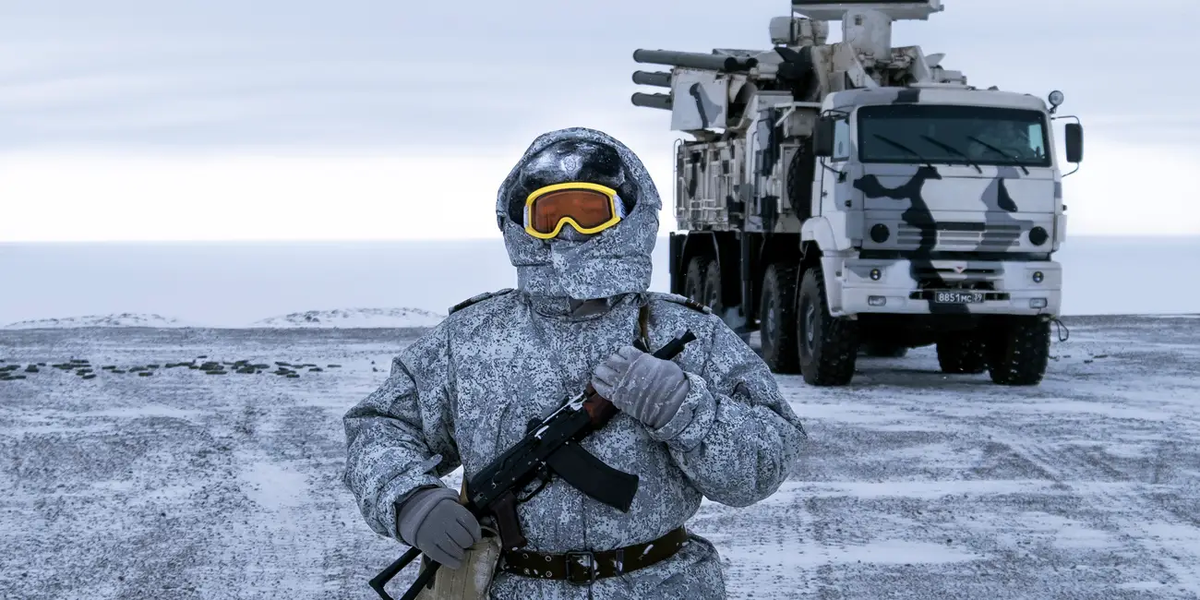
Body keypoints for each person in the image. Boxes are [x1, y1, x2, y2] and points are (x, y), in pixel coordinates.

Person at [342, 127, 807, 599]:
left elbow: (763, 465)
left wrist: (686, 410)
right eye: (548, 216)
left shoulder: (686, 334)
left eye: (589, 212)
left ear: (629, 217)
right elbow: (378, 428)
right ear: (520, 224)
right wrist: (411, 500)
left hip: (662, 585)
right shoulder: (467, 339)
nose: (568, 233)